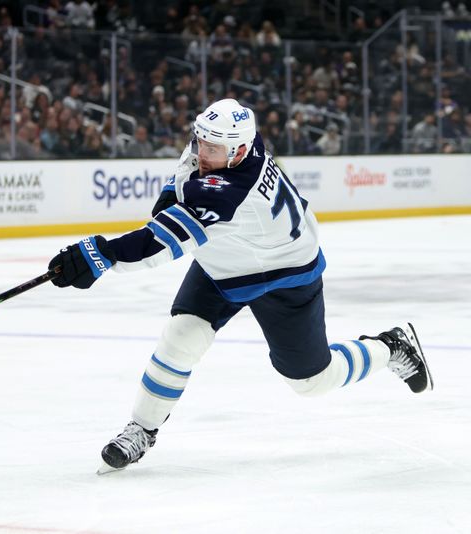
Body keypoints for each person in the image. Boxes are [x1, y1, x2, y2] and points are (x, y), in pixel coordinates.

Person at [46, 98, 434, 473]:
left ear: (239, 150)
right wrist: (169, 207)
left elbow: (158, 244)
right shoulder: (233, 143)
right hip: (227, 261)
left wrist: (100, 255)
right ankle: (142, 429)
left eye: (213, 148)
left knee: (313, 381)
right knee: (181, 337)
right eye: (201, 142)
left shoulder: (230, 192)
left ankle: (390, 346)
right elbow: (179, 188)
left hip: (284, 276)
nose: (202, 152)